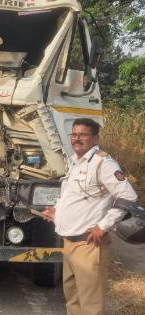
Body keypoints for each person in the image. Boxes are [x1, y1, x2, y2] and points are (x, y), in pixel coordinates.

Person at [43, 118, 137, 315]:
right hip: (69, 242)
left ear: (95, 138)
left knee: (90, 304)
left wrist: (103, 226)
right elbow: (76, 196)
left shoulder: (104, 163)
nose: (77, 139)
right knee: (73, 299)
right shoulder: (74, 162)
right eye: (74, 134)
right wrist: (57, 213)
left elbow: (128, 196)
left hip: (88, 244)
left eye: (83, 135)